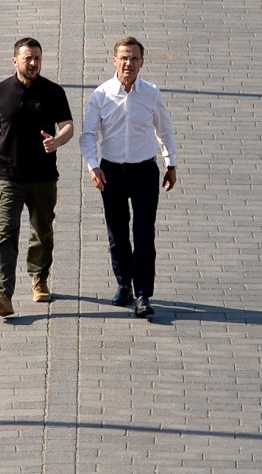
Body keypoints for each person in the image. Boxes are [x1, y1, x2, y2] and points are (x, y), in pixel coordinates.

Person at [0, 37, 74, 317]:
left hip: (43, 177)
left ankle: (39, 278)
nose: (33, 63)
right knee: (5, 233)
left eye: (37, 58)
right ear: (15, 60)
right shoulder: (0, 91)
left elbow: (67, 126)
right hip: (8, 176)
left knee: (42, 232)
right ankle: (1, 291)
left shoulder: (53, 91)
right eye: (28, 58)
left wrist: (57, 141)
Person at [80, 37, 177, 320]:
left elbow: (165, 130)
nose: (129, 63)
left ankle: (143, 293)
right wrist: (92, 166)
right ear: (114, 61)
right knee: (117, 232)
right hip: (111, 172)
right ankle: (124, 283)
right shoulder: (100, 95)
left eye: (134, 58)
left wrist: (171, 163)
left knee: (144, 234)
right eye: (124, 58)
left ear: (142, 62)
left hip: (144, 171)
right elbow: (88, 135)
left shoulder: (151, 94)